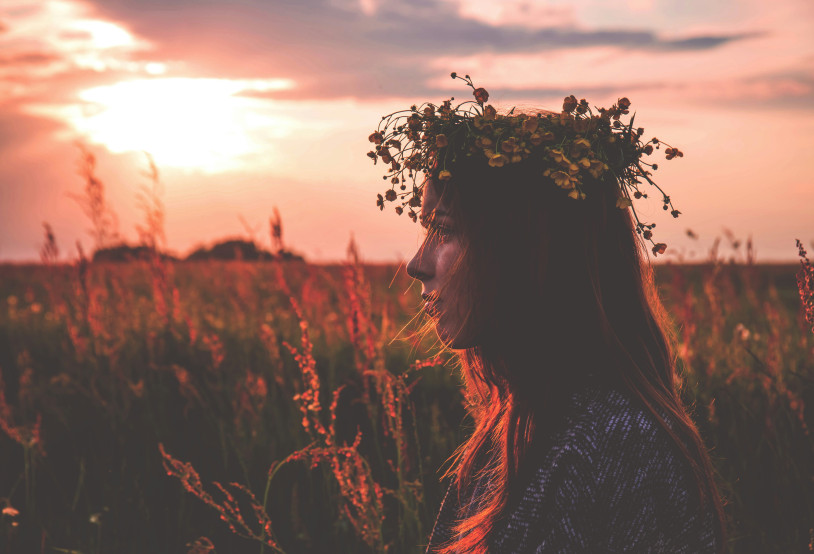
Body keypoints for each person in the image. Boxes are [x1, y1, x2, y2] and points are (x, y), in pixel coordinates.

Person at [367, 73, 727, 553]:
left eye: (446, 230)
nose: (416, 265)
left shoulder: (615, 449)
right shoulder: (522, 426)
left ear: (525, 252)